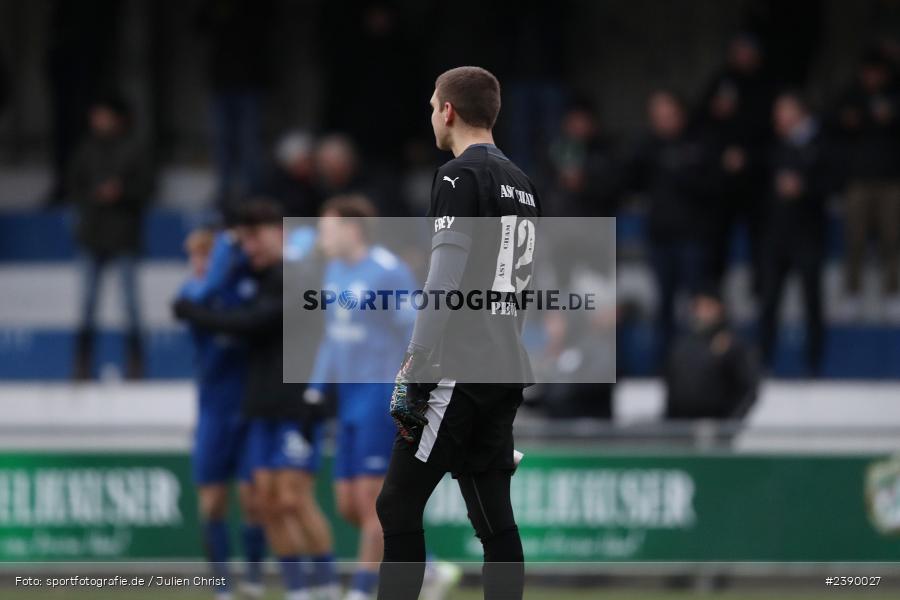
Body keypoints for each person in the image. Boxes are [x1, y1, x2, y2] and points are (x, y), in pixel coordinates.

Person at [376, 66, 539, 600]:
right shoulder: (523, 183)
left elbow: (444, 280)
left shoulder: (456, 176)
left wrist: (416, 360)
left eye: (432, 106)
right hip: (504, 363)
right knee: (493, 517)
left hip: (459, 366)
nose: (431, 116)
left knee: (397, 503)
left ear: (447, 111)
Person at [174, 199, 339, 600]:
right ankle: (298, 591)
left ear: (278, 234)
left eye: (256, 237)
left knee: (293, 498)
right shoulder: (254, 275)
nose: (251, 247)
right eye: (245, 240)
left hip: (297, 403)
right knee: (266, 501)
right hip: (261, 402)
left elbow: (256, 321)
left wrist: (192, 312)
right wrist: (228, 246)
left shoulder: (298, 275)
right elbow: (220, 281)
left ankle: (327, 585)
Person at [304, 196, 418, 600]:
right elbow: (332, 337)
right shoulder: (333, 270)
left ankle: (363, 590)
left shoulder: (389, 270)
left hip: (378, 394)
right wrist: (316, 388)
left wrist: (410, 387)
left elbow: (414, 331)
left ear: (352, 229)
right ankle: (427, 565)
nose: (321, 238)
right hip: (347, 397)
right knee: (348, 506)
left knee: (373, 503)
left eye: (327, 229)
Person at [177, 227, 267, 600]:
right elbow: (199, 300)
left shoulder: (245, 288)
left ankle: (254, 577)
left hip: (248, 408)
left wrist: (233, 255)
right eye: (194, 257)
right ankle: (221, 583)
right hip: (213, 410)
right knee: (212, 501)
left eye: (206, 256)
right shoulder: (192, 293)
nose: (199, 264)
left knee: (254, 499)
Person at [623, 90, 716, 364]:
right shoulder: (647, 147)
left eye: (668, 115)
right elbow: (629, 182)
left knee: (697, 303)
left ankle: (700, 361)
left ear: (680, 114)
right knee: (663, 304)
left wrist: (682, 173)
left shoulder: (698, 144)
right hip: (660, 238)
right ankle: (665, 364)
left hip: (692, 238)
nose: (663, 121)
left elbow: (713, 187)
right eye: (657, 116)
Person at [69, 95, 152, 380]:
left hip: (124, 235)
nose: (98, 121)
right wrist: (94, 194)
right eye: (96, 115)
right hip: (91, 235)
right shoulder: (85, 150)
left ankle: (136, 365)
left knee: (130, 305)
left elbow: (147, 188)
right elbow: (73, 186)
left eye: (103, 115)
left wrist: (121, 192)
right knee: (86, 305)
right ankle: (82, 365)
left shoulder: (135, 150)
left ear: (117, 119)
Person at [759, 93, 836, 375]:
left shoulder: (822, 144)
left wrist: (804, 188)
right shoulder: (774, 145)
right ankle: (764, 363)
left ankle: (813, 365)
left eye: (784, 111)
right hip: (775, 237)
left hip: (808, 236)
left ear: (799, 112)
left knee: (811, 302)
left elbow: (834, 182)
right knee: (769, 301)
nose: (778, 117)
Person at [833, 50, 900, 310]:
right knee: (855, 239)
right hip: (858, 180)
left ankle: (894, 292)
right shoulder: (850, 96)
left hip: (891, 181)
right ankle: (853, 292)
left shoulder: (895, 94)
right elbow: (831, 126)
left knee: (893, 238)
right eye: (868, 72)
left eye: (877, 72)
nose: (872, 77)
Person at [665, 288, 758, 423]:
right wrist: (669, 423)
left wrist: (728, 425)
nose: (703, 312)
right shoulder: (682, 345)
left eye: (708, 306)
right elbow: (672, 388)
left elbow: (748, 390)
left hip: (717, 425)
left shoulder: (733, 345)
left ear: (720, 309)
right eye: (699, 306)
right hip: (681, 427)